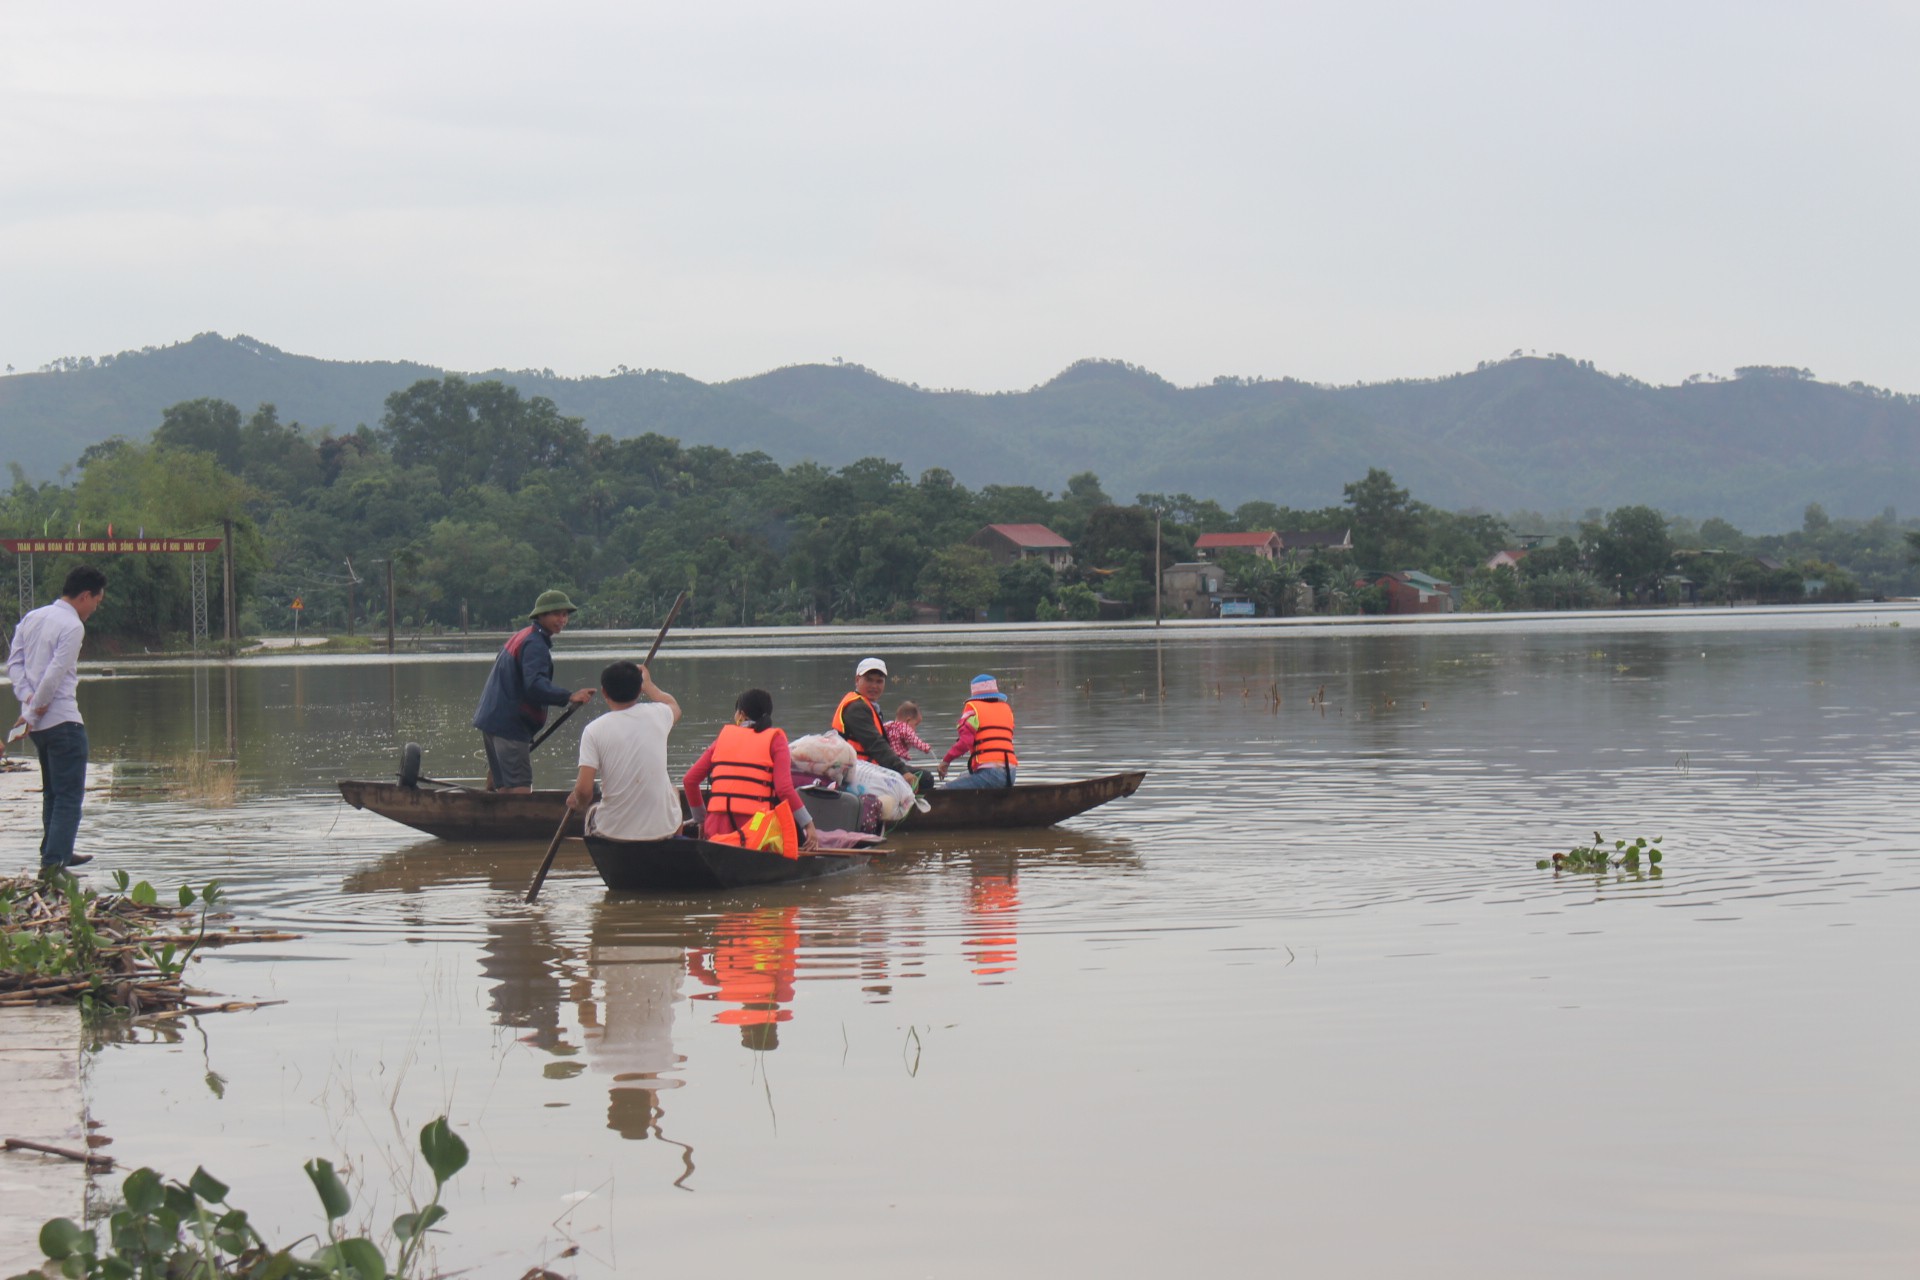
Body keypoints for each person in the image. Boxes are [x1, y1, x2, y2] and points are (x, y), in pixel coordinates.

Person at [7, 565, 107, 870]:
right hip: (63, 722)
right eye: (96, 602)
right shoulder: (73, 625)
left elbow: (14, 663)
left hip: (40, 727)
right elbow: (55, 672)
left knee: (53, 792)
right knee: (69, 796)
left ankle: (55, 848)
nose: (94, 608)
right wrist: (34, 708)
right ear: (85, 595)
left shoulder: (33, 617)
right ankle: (55, 861)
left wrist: (27, 702)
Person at [472, 590, 596, 793]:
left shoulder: (523, 636)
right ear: (541, 615)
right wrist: (569, 696)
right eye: (556, 614)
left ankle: (499, 823)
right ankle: (517, 824)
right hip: (509, 726)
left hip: (493, 720)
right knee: (519, 788)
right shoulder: (535, 644)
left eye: (565, 614)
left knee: (504, 788)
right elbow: (534, 685)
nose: (562, 619)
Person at [684, 689, 820, 850]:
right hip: (755, 827)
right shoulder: (775, 739)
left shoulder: (722, 738)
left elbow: (689, 780)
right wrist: (808, 825)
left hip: (715, 829)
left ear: (741, 714)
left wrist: (701, 821)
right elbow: (783, 789)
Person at [566, 660, 681, 840]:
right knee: (673, 791)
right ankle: (673, 845)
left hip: (613, 833)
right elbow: (674, 706)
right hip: (662, 831)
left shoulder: (594, 730)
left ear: (604, 692)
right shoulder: (658, 714)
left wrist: (578, 802)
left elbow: (584, 791)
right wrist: (649, 686)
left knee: (591, 813)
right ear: (638, 689)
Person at [831, 657, 920, 784]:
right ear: (857, 680)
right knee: (925, 778)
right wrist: (903, 771)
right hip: (855, 769)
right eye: (869, 680)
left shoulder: (868, 705)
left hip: (868, 765)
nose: (874, 686)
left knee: (921, 775)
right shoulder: (856, 708)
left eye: (879, 681)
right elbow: (875, 744)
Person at [938, 673, 1018, 789]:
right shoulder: (1006, 710)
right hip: (1011, 774)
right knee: (963, 776)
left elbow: (965, 742)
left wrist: (946, 761)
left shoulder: (974, 710)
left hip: (991, 774)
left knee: (944, 790)